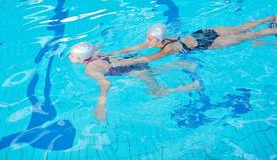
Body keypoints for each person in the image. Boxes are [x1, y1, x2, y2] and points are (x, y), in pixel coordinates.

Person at [105, 6, 277, 67]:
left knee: (251, 35)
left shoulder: (168, 48)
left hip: (208, 42)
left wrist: (118, 64)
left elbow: (146, 58)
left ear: (158, 40)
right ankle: (270, 19)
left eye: (149, 39)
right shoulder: (164, 38)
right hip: (202, 32)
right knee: (243, 28)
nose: (147, 42)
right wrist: (109, 53)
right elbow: (134, 49)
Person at [68, 42, 200, 122]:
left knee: (157, 92)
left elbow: (106, 83)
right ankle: (179, 64)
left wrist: (101, 105)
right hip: (131, 59)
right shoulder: (96, 53)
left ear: (81, 59)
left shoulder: (90, 68)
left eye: (72, 55)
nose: (69, 57)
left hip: (133, 68)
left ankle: (191, 86)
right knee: (152, 71)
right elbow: (97, 46)